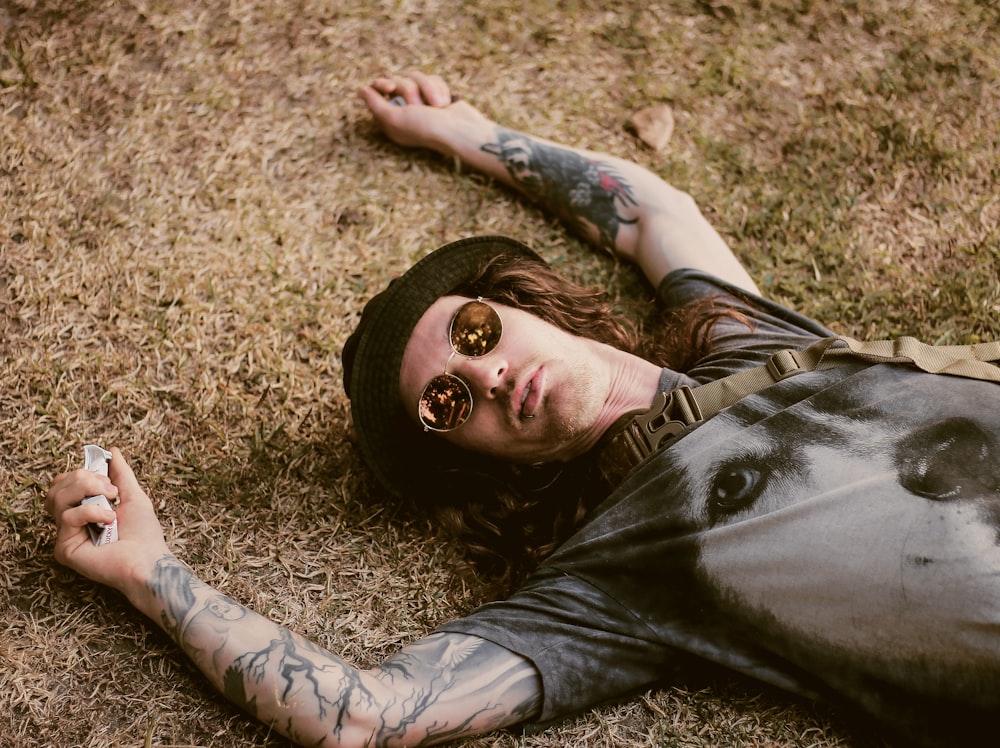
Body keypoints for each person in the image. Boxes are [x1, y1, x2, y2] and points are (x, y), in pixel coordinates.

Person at [45, 72, 1000, 748]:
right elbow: (362, 714)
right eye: (448, 402)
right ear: (480, 460)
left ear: (519, 302)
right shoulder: (613, 574)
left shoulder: (742, 338)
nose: (491, 376)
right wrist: (149, 571)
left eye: (474, 332)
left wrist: (463, 133)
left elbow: (649, 213)